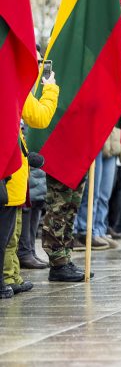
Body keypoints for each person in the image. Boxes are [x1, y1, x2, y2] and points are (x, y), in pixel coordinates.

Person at [2, 67, 58, 296]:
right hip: (9, 174)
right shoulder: (14, 87)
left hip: (14, 172)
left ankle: (11, 276)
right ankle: (5, 278)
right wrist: (51, 88)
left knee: (12, 232)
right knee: (6, 234)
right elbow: (40, 117)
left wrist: (25, 153)